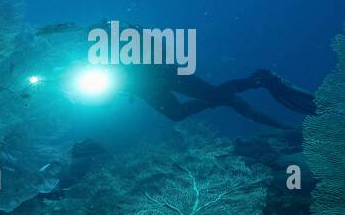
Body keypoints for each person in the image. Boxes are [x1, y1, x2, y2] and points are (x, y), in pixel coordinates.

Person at [125, 65, 315, 129]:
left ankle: (260, 78)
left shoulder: (114, 44)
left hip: (163, 74)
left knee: (215, 94)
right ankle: (222, 100)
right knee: (176, 114)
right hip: (145, 88)